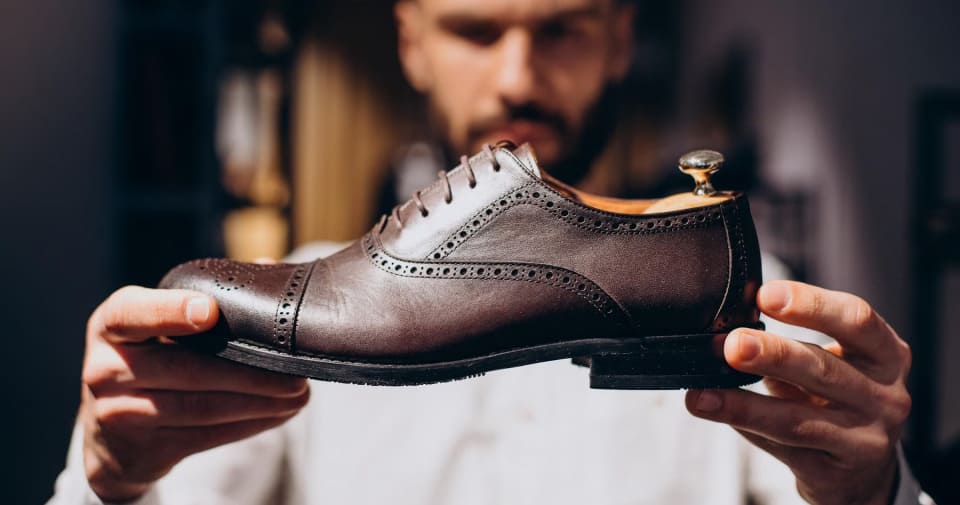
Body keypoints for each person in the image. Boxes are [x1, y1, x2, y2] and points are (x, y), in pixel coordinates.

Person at [50, 1, 930, 504]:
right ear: (411, 43)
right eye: (476, 30)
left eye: (561, 29)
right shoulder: (301, 317)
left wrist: (876, 491)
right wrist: (108, 479)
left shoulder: (748, 321)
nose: (517, 78)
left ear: (620, 40)